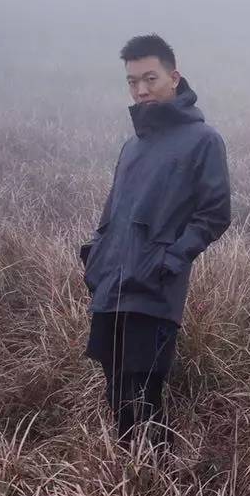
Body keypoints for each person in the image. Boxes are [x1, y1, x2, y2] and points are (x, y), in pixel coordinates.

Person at [80, 34, 231, 445]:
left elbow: (215, 215)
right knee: (117, 397)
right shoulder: (132, 146)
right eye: (132, 82)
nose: (141, 90)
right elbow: (111, 214)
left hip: (154, 288)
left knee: (144, 397)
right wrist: (95, 257)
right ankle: (130, 494)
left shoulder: (203, 140)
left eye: (150, 78)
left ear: (174, 77)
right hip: (112, 287)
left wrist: (169, 259)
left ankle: (158, 491)